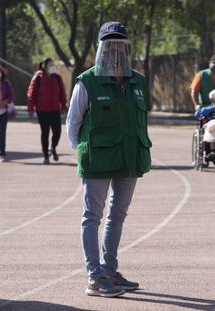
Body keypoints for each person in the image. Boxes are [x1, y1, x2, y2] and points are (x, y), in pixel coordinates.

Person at [66, 22, 152, 298]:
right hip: (98, 160)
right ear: (101, 47)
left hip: (130, 158)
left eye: (120, 43)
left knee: (118, 215)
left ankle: (110, 269)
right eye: (110, 43)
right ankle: (95, 276)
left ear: (126, 47)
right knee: (92, 216)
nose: (115, 48)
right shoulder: (88, 81)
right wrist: (82, 152)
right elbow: (73, 122)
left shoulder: (137, 81)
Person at [26, 58, 67, 164]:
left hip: (55, 110)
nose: (52, 66)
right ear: (44, 66)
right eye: (50, 65)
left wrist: (63, 106)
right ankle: (45, 155)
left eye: (53, 65)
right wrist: (30, 109)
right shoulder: (38, 78)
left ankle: (53, 148)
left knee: (57, 131)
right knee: (45, 132)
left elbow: (62, 92)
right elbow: (31, 94)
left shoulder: (57, 78)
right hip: (42, 110)